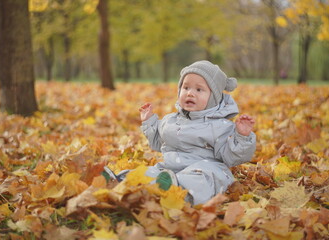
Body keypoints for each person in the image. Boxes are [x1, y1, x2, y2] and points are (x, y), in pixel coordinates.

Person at [105, 60, 256, 205]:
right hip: (169, 170)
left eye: (199, 89)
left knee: (203, 179)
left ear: (213, 98)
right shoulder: (170, 120)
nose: (190, 93)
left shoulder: (221, 126)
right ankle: (119, 181)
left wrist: (242, 137)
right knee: (148, 172)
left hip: (206, 169)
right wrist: (149, 122)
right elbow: (158, 143)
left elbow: (232, 157)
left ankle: (179, 191)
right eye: (186, 88)